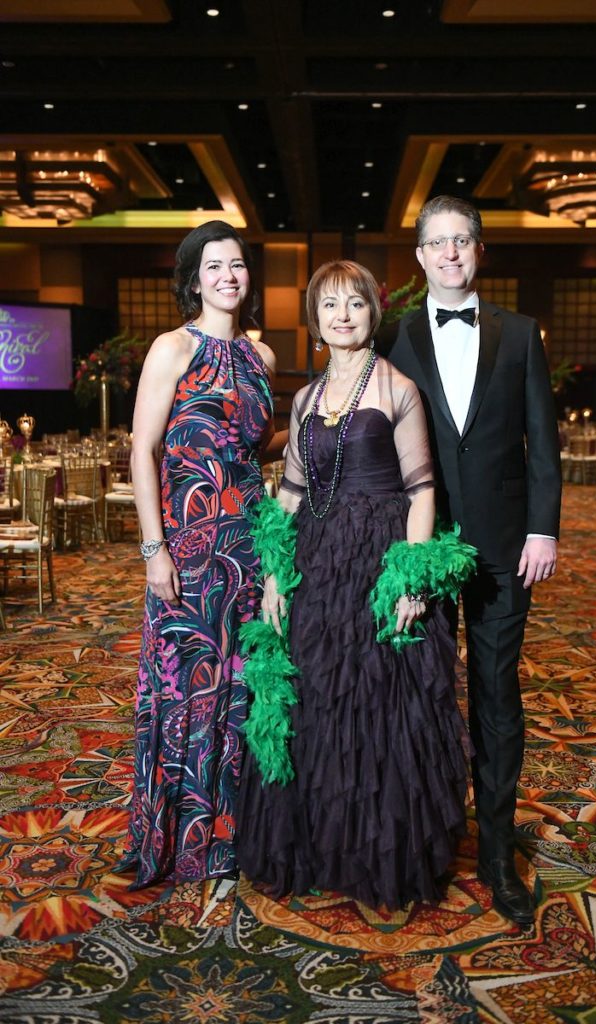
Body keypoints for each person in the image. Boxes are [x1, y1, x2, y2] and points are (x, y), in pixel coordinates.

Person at [236, 260, 476, 910]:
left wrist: (410, 579)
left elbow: (422, 491)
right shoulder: (306, 398)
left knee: (378, 706)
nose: (343, 317)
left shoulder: (397, 387)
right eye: (330, 307)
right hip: (316, 564)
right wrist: (272, 577)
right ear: (314, 321)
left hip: (377, 560)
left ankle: (376, 851)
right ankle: (320, 846)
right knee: (315, 701)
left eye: (356, 305)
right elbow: (287, 494)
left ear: (373, 312)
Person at [384, 195, 562, 927]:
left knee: (495, 693)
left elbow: (540, 442)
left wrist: (542, 530)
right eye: (437, 243)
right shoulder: (392, 338)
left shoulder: (519, 335)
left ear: (478, 251)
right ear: (420, 257)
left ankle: (495, 852)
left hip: (501, 546)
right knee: (421, 694)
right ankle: (427, 836)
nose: (450, 254)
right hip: (422, 546)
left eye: (462, 241)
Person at [118, 220, 276, 888]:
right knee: (185, 687)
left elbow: (256, 450)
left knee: (240, 689)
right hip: (187, 547)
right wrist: (154, 549)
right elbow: (142, 451)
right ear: (193, 278)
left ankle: (231, 839)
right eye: (214, 266)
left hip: (249, 543)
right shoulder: (171, 349)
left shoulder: (262, 357)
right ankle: (171, 840)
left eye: (236, 265)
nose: (227, 276)